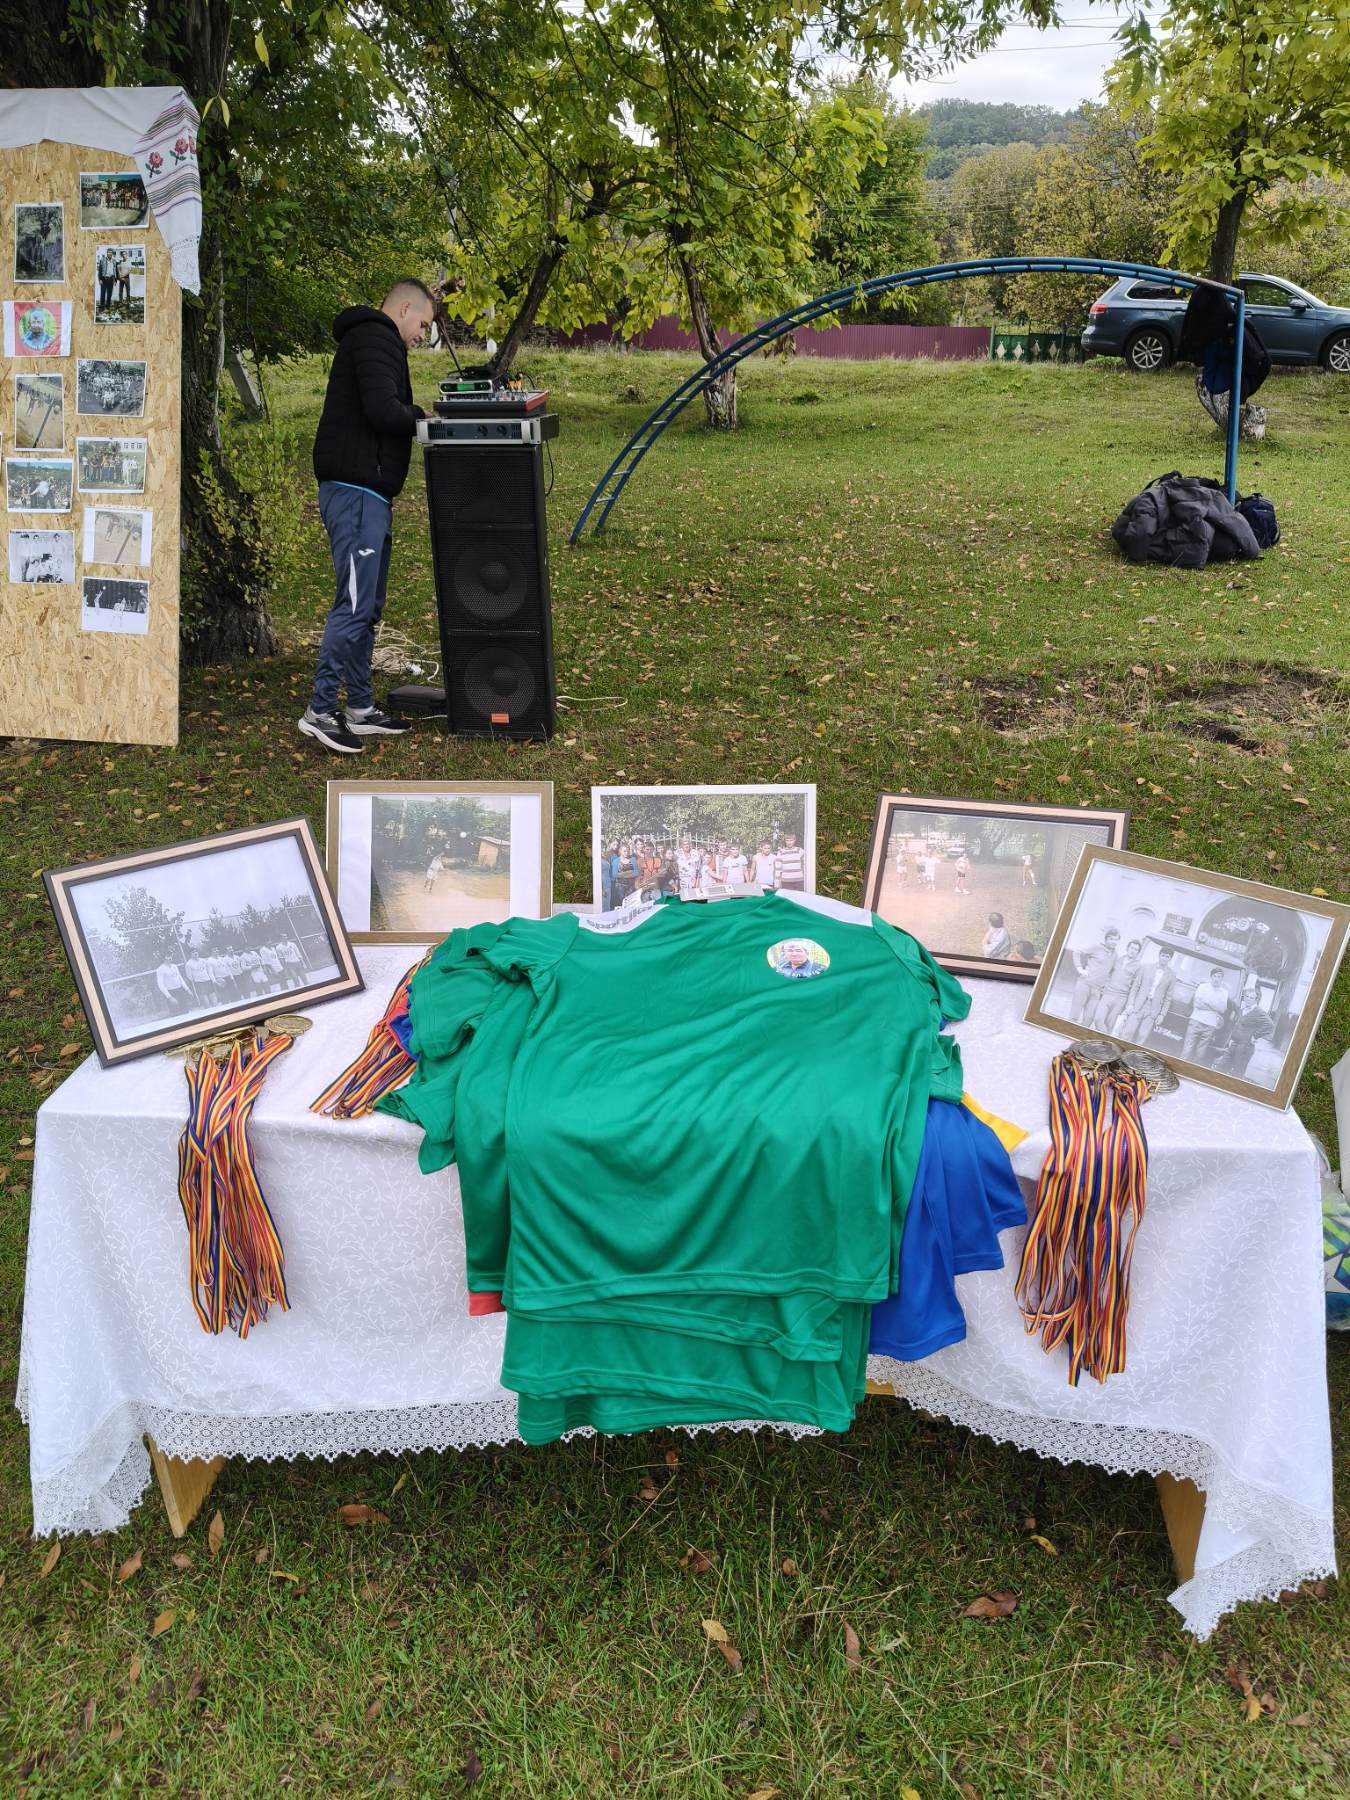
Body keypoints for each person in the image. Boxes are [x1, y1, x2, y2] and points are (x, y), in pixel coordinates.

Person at [300, 279, 436, 754]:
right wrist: (423, 417)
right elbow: (382, 410)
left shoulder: (377, 340)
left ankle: (360, 706)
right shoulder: (376, 337)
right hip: (356, 492)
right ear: (404, 308)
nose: (422, 335)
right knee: (354, 604)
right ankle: (320, 710)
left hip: (370, 493)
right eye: (423, 324)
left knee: (368, 606)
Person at [1117, 946, 1176, 1043]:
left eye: (1167, 957)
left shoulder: (1172, 975)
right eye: (1163, 955)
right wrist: (1130, 1004)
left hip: (1153, 1010)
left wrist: (1162, 1015)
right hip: (1138, 1005)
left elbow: (1168, 998)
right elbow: (1135, 987)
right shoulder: (1146, 967)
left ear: (1170, 959)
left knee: (1142, 1036)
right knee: (1127, 1032)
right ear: (1159, 955)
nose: (1164, 958)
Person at [1217, 991, 1278, 1079]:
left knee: (1237, 1074)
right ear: (1244, 997)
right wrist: (1230, 1040)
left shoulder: (1258, 1012)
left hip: (1245, 1048)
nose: (1248, 999)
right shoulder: (1242, 1010)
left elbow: (1270, 1025)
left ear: (1256, 1000)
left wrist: (1255, 1036)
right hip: (1234, 1044)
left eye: (1251, 998)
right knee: (1221, 1068)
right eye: (1247, 996)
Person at [1182, 967, 1233, 1065]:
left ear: (1222, 979)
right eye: (1215, 976)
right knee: (1187, 1049)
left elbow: (1222, 1009)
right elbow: (1197, 1004)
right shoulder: (1202, 987)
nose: (1216, 979)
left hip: (1210, 1025)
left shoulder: (1224, 992)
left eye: (1219, 977)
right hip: (1196, 1021)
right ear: (1211, 977)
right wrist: (1215, 1006)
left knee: (1200, 1053)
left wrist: (1207, 1001)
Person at [1096, 938, 1146, 1034]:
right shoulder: (1117, 959)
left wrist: (1130, 1004)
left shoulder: (1139, 966)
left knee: (1110, 1024)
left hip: (1121, 998)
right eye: (1132, 948)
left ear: (1138, 952)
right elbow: (1108, 974)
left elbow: (1134, 987)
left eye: (1136, 949)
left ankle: (1104, 1039)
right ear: (1127, 948)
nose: (1133, 950)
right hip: (1108, 994)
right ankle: (1105, 1036)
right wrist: (1104, 987)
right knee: (1098, 1019)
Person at [1070, 928, 1119, 1024]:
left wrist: (1106, 984)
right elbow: (1076, 952)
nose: (1113, 942)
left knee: (1089, 1018)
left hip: (1097, 990)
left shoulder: (1115, 955)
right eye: (1111, 939)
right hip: (1084, 984)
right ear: (1106, 939)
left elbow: (1111, 971)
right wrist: (1080, 969)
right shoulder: (1097, 947)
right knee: (1074, 1016)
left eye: (1116, 939)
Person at [676, 834, 702, 899]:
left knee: (694, 900)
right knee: (684, 901)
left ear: (690, 844)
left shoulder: (696, 853)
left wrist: (697, 882)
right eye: (684, 844)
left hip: (693, 883)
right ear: (681, 845)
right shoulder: (676, 854)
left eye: (688, 844)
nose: (686, 846)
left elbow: (699, 870)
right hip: (682, 884)